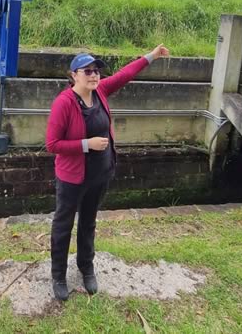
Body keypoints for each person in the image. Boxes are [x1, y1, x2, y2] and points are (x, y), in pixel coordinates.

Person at [45, 45, 170, 301]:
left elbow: (125, 74)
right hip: (72, 178)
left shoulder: (100, 91)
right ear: (73, 75)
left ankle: (86, 267)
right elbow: (52, 144)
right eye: (88, 71)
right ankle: (58, 275)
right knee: (63, 225)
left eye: (97, 71)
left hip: (99, 174)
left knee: (88, 222)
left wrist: (152, 56)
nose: (94, 75)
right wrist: (85, 144)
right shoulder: (64, 103)